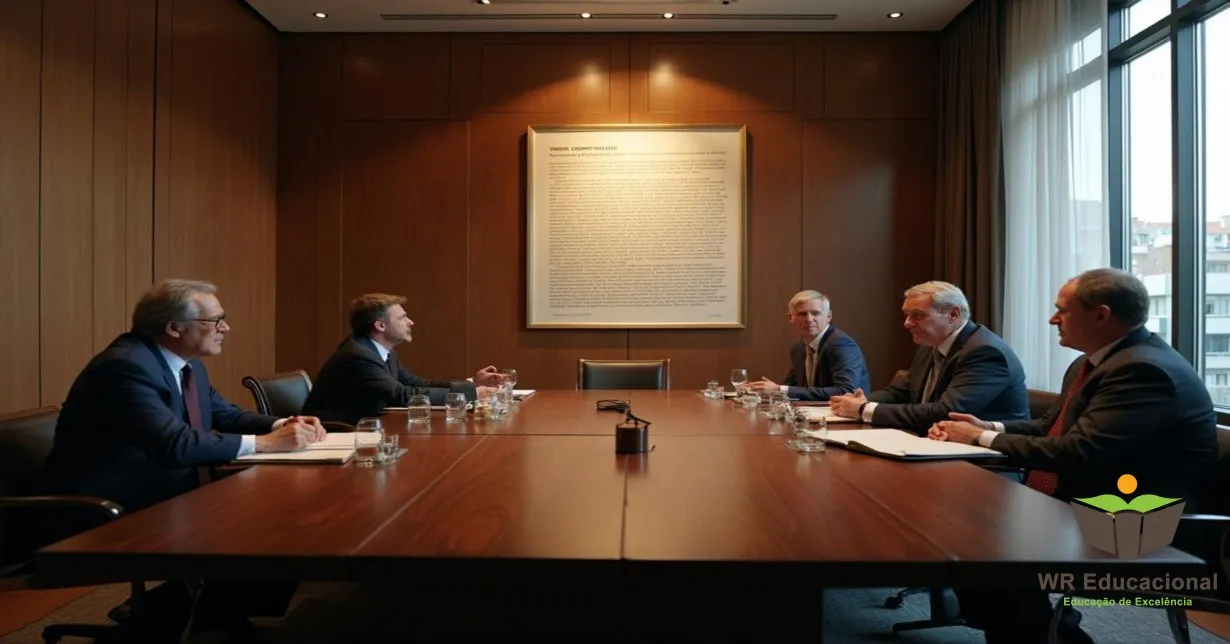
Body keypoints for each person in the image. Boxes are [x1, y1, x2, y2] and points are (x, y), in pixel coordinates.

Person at [929, 268, 1218, 644]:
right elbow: (1051, 427)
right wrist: (989, 426)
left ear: (1100, 315)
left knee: (990, 548)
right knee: (970, 531)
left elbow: (1077, 450)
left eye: (1062, 310)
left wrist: (981, 438)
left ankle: (1045, 633)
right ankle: (1040, 629)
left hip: (1137, 518)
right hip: (1085, 497)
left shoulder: (1142, 370)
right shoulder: (1095, 362)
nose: (1053, 319)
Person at [44, 279, 322, 638]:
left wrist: (285, 424)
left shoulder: (183, 363)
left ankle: (195, 613)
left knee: (285, 513)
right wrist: (266, 443)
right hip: (108, 508)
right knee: (262, 523)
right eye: (215, 320)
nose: (225, 328)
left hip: (163, 490)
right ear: (174, 327)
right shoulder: (124, 367)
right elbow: (175, 445)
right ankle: (205, 621)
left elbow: (225, 413)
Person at [829, 281, 1028, 434]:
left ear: (953, 314)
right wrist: (858, 401)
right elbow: (900, 392)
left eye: (917, 315)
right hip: (936, 442)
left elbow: (945, 412)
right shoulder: (930, 344)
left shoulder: (985, 352)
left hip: (985, 457)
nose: (907, 323)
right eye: (906, 315)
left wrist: (864, 409)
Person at [303, 293, 506, 425]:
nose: (410, 322)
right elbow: (402, 395)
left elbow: (416, 383)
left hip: (369, 427)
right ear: (380, 326)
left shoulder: (381, 350)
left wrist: (472, 384)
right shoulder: (358, 356)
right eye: (402, 318)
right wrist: (471, 394)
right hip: (338, 432)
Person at [747, 290, 870, 400]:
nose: (809, 319)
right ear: (791, 318)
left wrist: (780, 389)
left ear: (829, 316)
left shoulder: (841, 344)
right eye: (802, 314)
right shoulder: (798, 349)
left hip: (846, 414)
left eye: (815, 313)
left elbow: (845, 391)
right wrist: (766, 391)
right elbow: (791, 385)